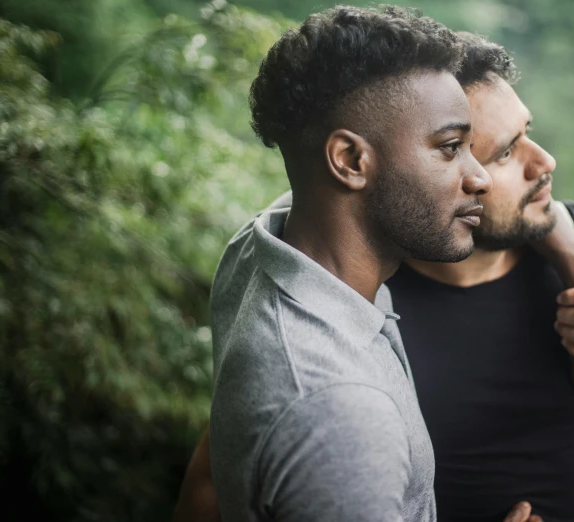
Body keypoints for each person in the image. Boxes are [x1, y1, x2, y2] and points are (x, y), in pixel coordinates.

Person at [177, 29, 574, 522]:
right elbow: (216, 483)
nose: (545, 163)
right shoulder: (351, 296)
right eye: (497, 152)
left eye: (528, 134)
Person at [207, 6, 497, 522]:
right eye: (450, 148)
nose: (481, 179)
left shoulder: (257, 248)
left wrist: (567, 238)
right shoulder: (341, 414)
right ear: (350, 161)